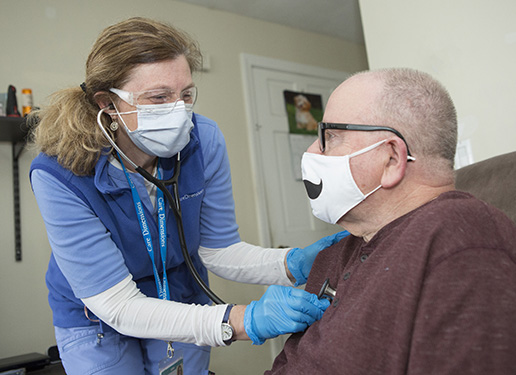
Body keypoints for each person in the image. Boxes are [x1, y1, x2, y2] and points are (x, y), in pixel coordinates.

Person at [28, 17, 344, 375]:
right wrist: (242, 320)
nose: (179, 111)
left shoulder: (203, 142)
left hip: (181, 294)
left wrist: (293, 263)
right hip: (97, 317)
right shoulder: (58, 172)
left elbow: (217, 250)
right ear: (109, 104)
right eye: (159, 97)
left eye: (186, 95)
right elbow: (116, 304)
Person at [267, 68, 516, 374]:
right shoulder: (334, 256)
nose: (311, 152)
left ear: (391, 159)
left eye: (329, 137)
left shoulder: (462, 237)